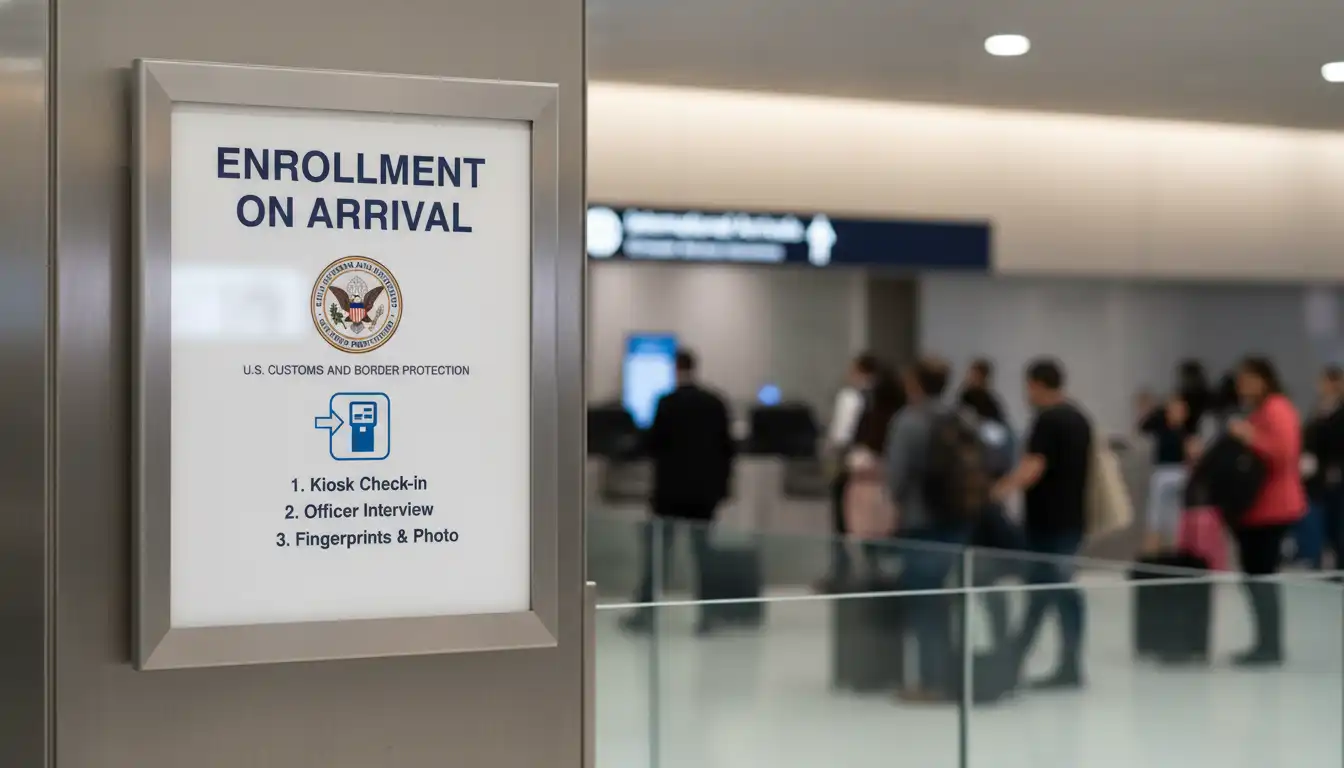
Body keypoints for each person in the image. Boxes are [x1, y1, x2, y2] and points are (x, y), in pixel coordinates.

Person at [994, 358, 1092, 690]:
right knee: (1059, 591)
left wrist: (997, 492)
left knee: (1045, 591)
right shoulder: (1080, 418)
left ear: (1035, 384)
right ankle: (1067, 662)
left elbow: (1033, 468)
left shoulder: (1046, 421)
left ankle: (1012, 662)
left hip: (1048, 522)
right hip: (1073, 518)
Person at [622, 349, 736, 634]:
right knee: (704, 555)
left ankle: (647, 615)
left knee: (659, 554)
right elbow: (727, 449)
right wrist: (723, 489)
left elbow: (651, 444)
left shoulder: (667, 403)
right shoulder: (715, 402)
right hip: (704, 494)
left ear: (675, 369)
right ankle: (709, 617)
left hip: (670, 493)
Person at [886, 356, 973, 701]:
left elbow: (896, 479)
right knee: (950, 599)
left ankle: (931, 682)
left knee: (925, 602)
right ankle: (954, 675)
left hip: (922, 522)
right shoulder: (964, 417)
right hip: (960, 519)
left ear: (915, 384)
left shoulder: (908, 421)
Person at [1226, 356, 1305, 665]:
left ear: (1264, 379)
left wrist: (1249, 437)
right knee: (1255, 578)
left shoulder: (1277, 409)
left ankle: (1269, 646)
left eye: (1247, 379)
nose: (1241, 386)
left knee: (1262, 578)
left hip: (1272, 508)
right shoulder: (1260, 411)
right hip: (1254, 509)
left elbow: (1283, 454)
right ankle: (1263, 642)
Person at [819, 353, 882, 588]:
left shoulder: (851, 396)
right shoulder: (883, 398)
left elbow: (841, 435)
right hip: (875, 472)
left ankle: (840, 574)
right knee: (871, 524)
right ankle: (873, 575)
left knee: (842, 524)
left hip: (849, 467)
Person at [1137, 360, 1211, 551]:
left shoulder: (1186, 433)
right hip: (1162, 472)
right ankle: (1153, 552)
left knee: (1176, 518)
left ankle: (1176, 550)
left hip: (1179, 472)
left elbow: (1195, 454)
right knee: (1155, 518)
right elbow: (1143, 426)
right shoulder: (1160, 427)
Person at [1302, 366, 1344, 569]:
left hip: (1337, 478)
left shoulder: (1338, 413)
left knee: (1338, 530)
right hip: (1317, 480)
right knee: (1319, 530)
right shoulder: (1317, 410)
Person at [959, 357, 1007, 425]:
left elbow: (998, 424)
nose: (973, 380)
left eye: (977, 376)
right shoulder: (964, 398)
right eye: (972, 375)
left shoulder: (991, 404)